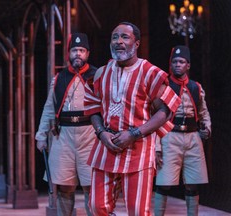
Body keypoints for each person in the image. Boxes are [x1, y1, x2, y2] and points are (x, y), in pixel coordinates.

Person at [84, 22, 181, 216]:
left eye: (124, 37)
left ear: (136, 44)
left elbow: (165, 111)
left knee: (138, 210)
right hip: (106, 147)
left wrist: (134, 133)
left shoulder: (149, 72)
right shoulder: (101, 73)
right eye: (114, 37)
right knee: (96, 206)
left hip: (138, 150)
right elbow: (92, 107)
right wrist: (102, 133)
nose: (118, 41)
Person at [35, 32, 97, 216]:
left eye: (81, 50)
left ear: (87, 53)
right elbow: (49, 108)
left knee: (91, 186)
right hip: (63, 136)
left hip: (89, 135)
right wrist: (41, 135)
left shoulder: (97, 76)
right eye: (74, 50)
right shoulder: (59, 78)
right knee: (64, 187)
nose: (78, 54)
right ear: (69, 53)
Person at [154, 45, 211, 216]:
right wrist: (157, 146)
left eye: (182, 62)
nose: (178, 65)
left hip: (193, 137)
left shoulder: (195, 87)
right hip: (170, 135)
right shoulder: (164, 87)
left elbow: (202, 111)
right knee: (164, 183)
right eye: (175, 62)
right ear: (170, 65)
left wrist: (206, 127)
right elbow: (155, 117)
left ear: (188, 65)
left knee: (193, 183)